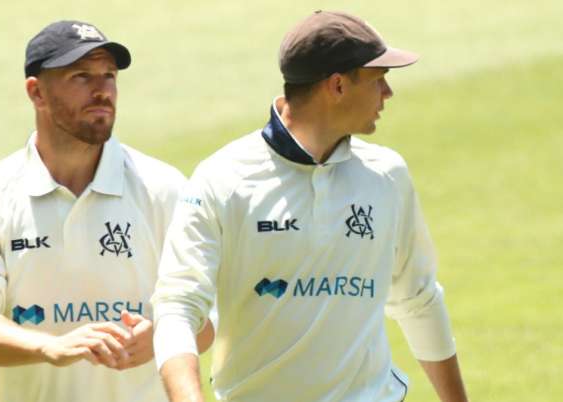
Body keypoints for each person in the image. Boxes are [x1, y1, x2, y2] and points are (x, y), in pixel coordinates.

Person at [151, 10, 468, 402]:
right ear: (337, 85)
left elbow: (418, 299)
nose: (388, 93)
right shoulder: (221, 179)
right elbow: (176, 309)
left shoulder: (387, 175)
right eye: (377, 79)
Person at [0, 20, 213, 402]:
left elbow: (212, 311)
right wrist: (48, 348)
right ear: (36, 93)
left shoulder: (164, 188)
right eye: (82, 76)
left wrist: (163, 335)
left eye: (109, 75)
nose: (102, 90)